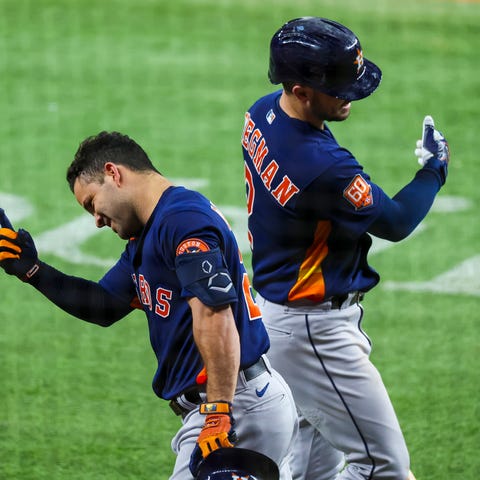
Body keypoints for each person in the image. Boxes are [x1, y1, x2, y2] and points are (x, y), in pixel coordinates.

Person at [0, 131, 298, 479]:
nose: (95, 219)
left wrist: (218, 411)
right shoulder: (152, 233)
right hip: (237, 404)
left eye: (91, 202)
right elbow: (104, 305)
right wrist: (34, 272)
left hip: (235, 409)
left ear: (114, 173)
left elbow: (215, 315)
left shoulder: (181, 221)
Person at [241, 16, 449, 480]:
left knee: (315, 471)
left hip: (280, 310)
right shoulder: (321, 165)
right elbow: (395, 223)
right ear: (300, 89)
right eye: (338, 87)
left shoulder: (260, 114)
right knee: (384, 467)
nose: (350, 94)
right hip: (312, 328)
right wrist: (434, 170)